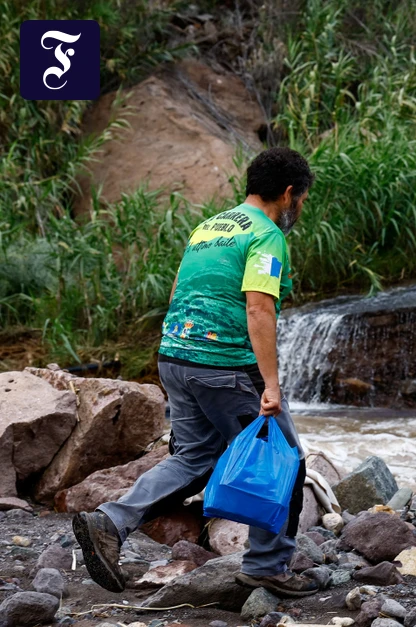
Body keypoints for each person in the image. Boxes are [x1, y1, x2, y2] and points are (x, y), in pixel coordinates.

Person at [73, 147, 319, 598]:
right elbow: (259, 308)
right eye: (301, 200)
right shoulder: (267, 236)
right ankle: (266, 566)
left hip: (175, 357)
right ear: (289, 194)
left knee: (193, 457)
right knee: (285, 459)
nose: (299, 209)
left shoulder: (210, 227)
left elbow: (176, 289)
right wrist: (270, 384)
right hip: (223, 365)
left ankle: (110, 521)